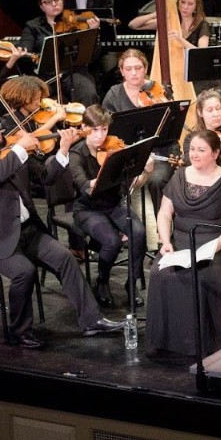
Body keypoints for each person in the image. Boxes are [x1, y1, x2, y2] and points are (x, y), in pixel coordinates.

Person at [0, 109, 121, 348]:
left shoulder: (7, 153)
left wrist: (64, 149)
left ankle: (91, 320)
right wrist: (20, 148)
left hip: (26, 231)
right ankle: (19, 331)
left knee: (65, 258)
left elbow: (46, 177)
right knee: (24, 271)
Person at [146, 129, 221, 358]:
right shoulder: (180, 175)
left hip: (218, 244)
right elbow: (164, 213)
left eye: (201, 150)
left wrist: (210, 249)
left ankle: (205, 343)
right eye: (192, 149)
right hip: (181, 241)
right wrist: (164, 241)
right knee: (160, 273)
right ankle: (170, 342)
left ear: (215, 153)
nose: (195, 154)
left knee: (203, 275)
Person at [67, 106, 153, 309]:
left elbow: (134, 183)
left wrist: (145, 169)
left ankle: (131, 284)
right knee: (111, 241)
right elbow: (81, 183)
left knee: (139, 233)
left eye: (104, 129)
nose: (100, 136)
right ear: (84, 128)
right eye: (95, 130)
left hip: (113, 204)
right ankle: (102, 281)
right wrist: (105, 175)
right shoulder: (76, 153)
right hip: (88, 208)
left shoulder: (113, 147)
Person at [17, 0, 101, 105]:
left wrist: (93, 33)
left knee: (88, 93)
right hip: (47, 76)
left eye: (57, 0)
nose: (54, 4)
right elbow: (25, 48)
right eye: (48, 2)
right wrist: (25, 52)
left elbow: (93, 55)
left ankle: (89, 123)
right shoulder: (33, 26)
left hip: (74, 72)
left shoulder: (75, 22)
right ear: (41, 6)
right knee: (37, 100)